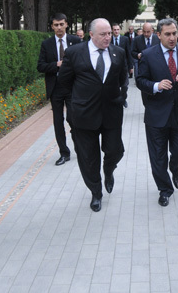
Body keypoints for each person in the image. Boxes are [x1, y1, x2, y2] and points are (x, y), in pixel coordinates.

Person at [54, 18, 128, 212]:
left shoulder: (118, 52)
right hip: (84, 116)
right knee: (88, 158)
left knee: (115, 150)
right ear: (91, 35)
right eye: (103, 34)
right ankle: (96, 192)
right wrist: (77, 104)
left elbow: (122, 80)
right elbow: (64, 82)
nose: (107, 37)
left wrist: (120, 98)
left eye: (109, 33)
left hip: (111, 113)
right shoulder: (75, 53)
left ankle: (109, 169)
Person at [136, 19, 178, 207]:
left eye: (175, 33)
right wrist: (156, 86)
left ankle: (176, 168)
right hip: (157, 114)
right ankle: (165, 189)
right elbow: (140, 80)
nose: (172, 38)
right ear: (159, 35)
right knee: (157, 156)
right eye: (168, 34)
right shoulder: (148, 55)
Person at [37, 13, 83, 165]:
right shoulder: (47, 44)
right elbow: (40, 66)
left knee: (73, 119)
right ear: (52, 27)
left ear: (66, 24)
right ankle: (64, 153)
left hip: (71, 87)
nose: (59, 27)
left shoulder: (75, 41)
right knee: (58, 121)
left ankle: (80, 147)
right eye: (56, 25)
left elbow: (83, 62)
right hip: (55, 87)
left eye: (61, 24)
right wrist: (56, 65)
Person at [112, 23, 134, 96]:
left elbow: (129, 53)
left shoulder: (125, 39)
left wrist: (131, 67)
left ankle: (123, 98)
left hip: (124, 66)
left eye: (118, 29)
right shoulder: (109, 40)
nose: (116, 31)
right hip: (112, 66)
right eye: (114, 30)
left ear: (119, 30)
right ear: (112, 30)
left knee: (125, 85)